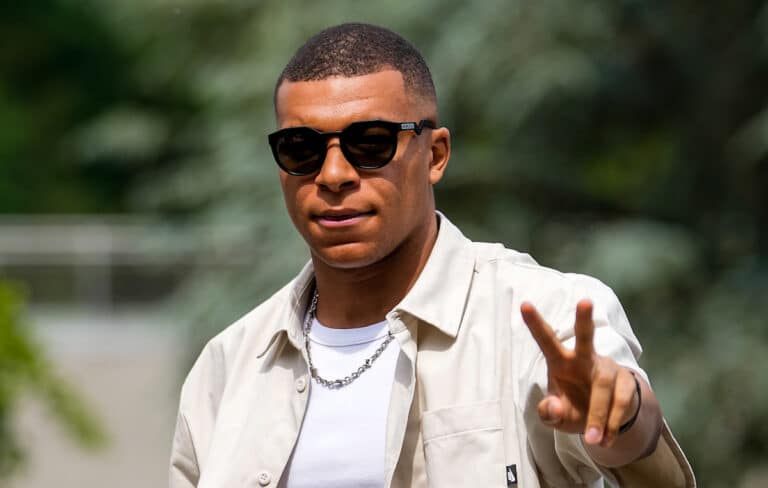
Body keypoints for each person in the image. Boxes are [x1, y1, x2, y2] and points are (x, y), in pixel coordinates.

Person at [169, 23, 695, 488]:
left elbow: (652, 470)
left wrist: (624, 419)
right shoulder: (228, 367)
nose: (333, 175)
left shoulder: (538, 319)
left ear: (435, 155)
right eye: (300, 149)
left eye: (370, 143)